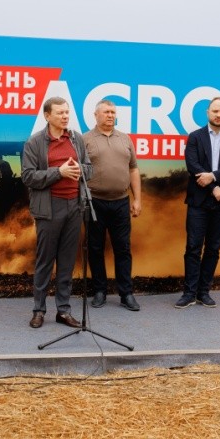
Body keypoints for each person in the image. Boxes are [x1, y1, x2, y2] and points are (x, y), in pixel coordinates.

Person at [22, 96, 92, 329]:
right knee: (45, 261)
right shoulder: (35, 143)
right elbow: (29, 177)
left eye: (67, 112)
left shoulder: (76, 139)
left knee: (67, 262)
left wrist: (78, 170)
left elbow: (89, 168)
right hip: (49, 207)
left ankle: (63, 310)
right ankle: (38, 310)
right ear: (47, 115)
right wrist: (58, 172)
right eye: (60, 113)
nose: (65, 116)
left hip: (75, 205)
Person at [176, 97, 220, 309]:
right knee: (193, 247)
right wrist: (213, 187)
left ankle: (203, 292)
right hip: (199, 201)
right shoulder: (195, 137)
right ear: (207, 112)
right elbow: (192, 164)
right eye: (215, 111)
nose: (218, 115)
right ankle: (189, 293)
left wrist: (213, 177)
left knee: (213, 248)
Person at [83, 99, 142, 311]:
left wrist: (137, 199)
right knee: (96, 248)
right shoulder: (85, 140)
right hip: (94, 202)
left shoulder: (125, 139)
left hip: (120, 203)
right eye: (106, 112)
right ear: (96, 115)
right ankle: (100, 291)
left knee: (123, 249)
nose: (111, 115)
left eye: (113, 112)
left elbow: (133, 169)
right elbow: (78, 173)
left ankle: (126, 293)